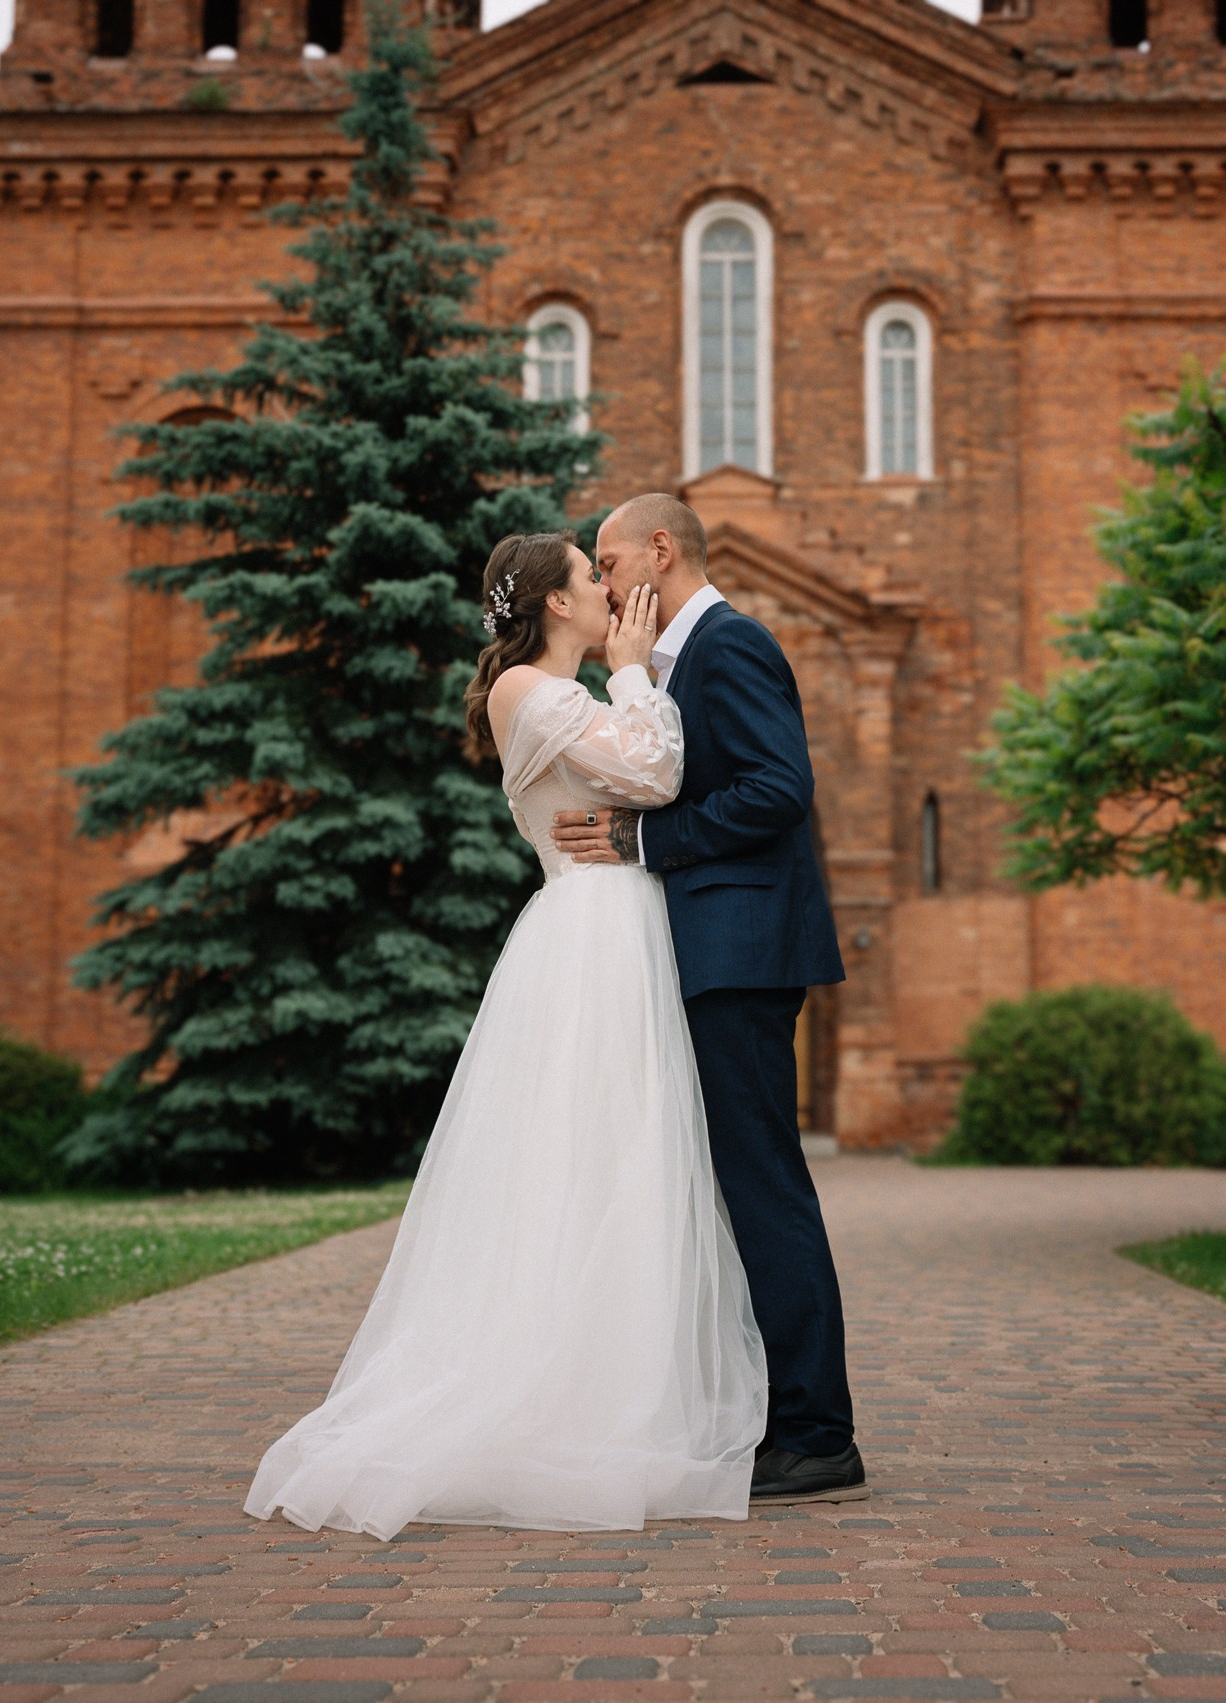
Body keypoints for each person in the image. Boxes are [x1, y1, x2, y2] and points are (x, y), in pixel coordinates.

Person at [244, 532, 766, 1540]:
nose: (606, 588)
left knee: (626, 1163)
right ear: (554, 603)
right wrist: (633, 672)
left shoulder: (560, 690)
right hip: (591, 939)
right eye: (590, 576)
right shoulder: (527, 690)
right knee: (582, 1162)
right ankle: (559, 1401)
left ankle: (616, 1378)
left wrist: (625, 677)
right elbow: (653, 773)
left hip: (621, 931)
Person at [552, 493, 865, 1507]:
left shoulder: (731, 644)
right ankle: (778, 1416)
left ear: (658, 549)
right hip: (713, 950)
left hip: (743, 951)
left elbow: (780, 787)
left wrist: (648, 841)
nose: (601, 580)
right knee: (740, 1184)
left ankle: (818, 1432)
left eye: (607, 558)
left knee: (764, 1182)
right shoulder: (682, 657)